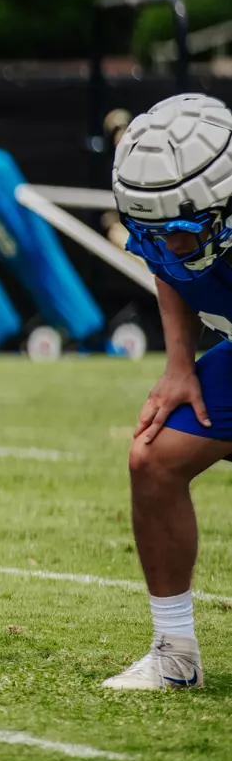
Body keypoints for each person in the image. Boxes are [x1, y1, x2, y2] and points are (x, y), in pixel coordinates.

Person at [106, 92, 232, 690]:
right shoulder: (167, 222)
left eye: (182, 230)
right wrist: (180, 362)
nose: (171, 244)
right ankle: (175, 653)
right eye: (151, 230)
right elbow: (166, 265)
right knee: (153, 458)